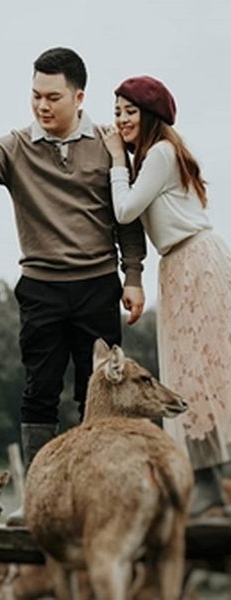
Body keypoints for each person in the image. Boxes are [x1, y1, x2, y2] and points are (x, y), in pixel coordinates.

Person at [0, 47, 147, 523]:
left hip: (98, 286)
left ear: (79, 96)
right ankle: (41, 498)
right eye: (35, 96)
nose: (42, 106)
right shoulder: (14, 147)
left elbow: (127, 220)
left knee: (100, 391)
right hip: (41, 289)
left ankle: (99, 494)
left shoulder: (109, 147)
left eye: (52, 97)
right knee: (39, 392)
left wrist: (132, 276)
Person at [100, 75, 231, 518]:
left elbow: (125, 210)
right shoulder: (153, 157)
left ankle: (213, 481)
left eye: (129, 112)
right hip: (177, 267)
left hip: (196, 263)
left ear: (150, 116)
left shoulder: (160, 153)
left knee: (207, 370)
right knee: (191, 371)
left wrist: (117, 159)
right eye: (117, 111)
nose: (120, 120)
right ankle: (207, 481)